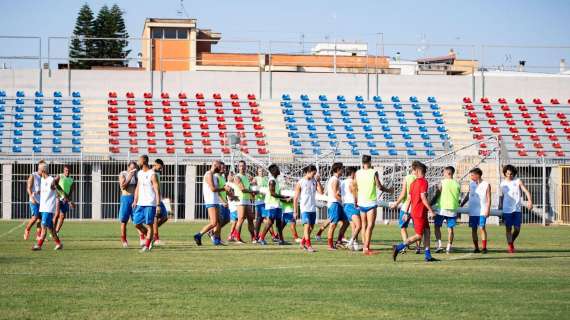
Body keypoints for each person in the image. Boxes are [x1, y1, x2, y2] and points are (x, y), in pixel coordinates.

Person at [392, 162, 438, 262]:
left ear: (416, 171)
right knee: (419, 235)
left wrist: (405, 213)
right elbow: (423, 198)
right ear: (420, 171)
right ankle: (399, 247)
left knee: (427, 232)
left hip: (416, 211)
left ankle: (428, 255)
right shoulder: (424, 182)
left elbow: (409, 199)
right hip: (420, 212)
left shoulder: (413, 183)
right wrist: (431, 211)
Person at [353, 155, 392, 255]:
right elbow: (379, 186)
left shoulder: (358, 172)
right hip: (370, 202)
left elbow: (354, 186)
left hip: (361, 202)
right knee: (370, 225)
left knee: (364, 225)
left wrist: (355, 199)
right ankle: (366, 248)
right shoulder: (373, 172)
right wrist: (389, 190)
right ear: (370, 162)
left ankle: (364, 247)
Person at [499, 165, 533, 253]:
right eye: (508, 174)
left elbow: (526, 191)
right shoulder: (502, 183)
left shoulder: (518, 181)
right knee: (508, 229)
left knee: (517, 229)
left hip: (517, 209)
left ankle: (511, 242)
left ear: (514, 174)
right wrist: (500, 206)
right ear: (505, 174)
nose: (509, 175)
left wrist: (530, 201)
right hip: (507, 209)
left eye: (511, 174)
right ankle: (510, 246)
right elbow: (502, 196)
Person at [390, 161, 421, 254]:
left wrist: (396, 203)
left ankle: (404, 247)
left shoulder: (407, 178)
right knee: (417, 229)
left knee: (403, 227)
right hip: (417, 207)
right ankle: (418, 248)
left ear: (412, 168)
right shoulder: (420, 179)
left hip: (406, 206)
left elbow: (403, 194)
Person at [132, 155, 161, 252]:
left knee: (149, 225)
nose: (138, 162)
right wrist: (135, 200)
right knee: (136, 223)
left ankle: (147, 245)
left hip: (150, 203)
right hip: (140, 203)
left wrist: (158, 205)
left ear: (144, 161)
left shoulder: (152, 174)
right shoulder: (139, 173)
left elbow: (157, 190)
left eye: (139, 160)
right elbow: (137, 187)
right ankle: (151, 237)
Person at [194, 160, 226, 246]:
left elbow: (217, 189)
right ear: (215, 165)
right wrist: (224, 189)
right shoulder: (208, 174)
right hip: (210, 201)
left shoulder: (214, 176)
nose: (221, 169)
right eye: (220, 167)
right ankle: (198, 235)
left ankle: (216, 239)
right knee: (214, 222)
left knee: (219, 221)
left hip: (215, 201)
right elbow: (212, 189)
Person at [32, 164, 63, 251]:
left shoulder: (51, 180)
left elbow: (58, 188)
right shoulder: (42, 179)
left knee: (43, 226)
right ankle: (59, 244)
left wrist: (66, 199)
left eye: (39, 169)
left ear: (43, 171)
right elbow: (44, 190)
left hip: (48, 208)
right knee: (51, 229)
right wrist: (37, 192)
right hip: (43, 208)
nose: (38, 171)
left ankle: (39, 245)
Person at [293, 165, 324, 252]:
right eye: (313, 174)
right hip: (304, 208)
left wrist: (318, 181)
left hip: (312, 208)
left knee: (311, 228)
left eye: (315, 174)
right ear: (308, 172)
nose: (314, 175)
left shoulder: (314, 181)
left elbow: (321, 192)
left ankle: (302, 243)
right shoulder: (300, 182)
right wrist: (295, 211)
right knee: (306, 227)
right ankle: (309, 245)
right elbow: (295, 198)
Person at [258, 164, 290, 245]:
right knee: (270, 222)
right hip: (272, 204)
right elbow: (272, 193)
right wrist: (283, 197)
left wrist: (283, 198)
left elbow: (276, 193)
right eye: (278, 168)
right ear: (274, 171)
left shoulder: (275, 180)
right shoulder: (272, 181)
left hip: (277, 204)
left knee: (279, 223)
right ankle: (261, 238)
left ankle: (281, 240)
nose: (279, 170)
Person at [460, 168, 491, 254]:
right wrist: (462, 204)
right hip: (473, 211)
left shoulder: (486, 184)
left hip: (482, 210)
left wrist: (487, 209)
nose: (471, 177)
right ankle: (476, 248)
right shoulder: (471, 184)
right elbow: (468, 195)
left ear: (478, 175)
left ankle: (484, 248)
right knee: (473, 229)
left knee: (482, 228)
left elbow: (489, 198)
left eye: (472, 175)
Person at [431, 166, 461, 254]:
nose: (443, 174)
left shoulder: (442, 182)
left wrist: (430, 204)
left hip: (442, 208)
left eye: (444, 172)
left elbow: (437, 195)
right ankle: (449, 246)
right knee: (450, 228)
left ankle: (439, 245)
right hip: (453, 209)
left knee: (437, 226)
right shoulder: (457, 184)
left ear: (448, 173)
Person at [118, 161, 144, 248]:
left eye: (135, 168)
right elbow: (123, 186)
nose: (133, 170)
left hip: (134, 199)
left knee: (137, 220)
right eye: (132, 168)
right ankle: (124, 239)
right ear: (128, 167)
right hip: (126, 199)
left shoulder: (137, 176)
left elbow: (139, 187)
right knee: (123, 221)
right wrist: (130, 176)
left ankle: (142, 238)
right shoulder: (123, 174)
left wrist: (136, 177)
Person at [233, 161, 257, 244]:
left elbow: (249, 187)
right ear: (238, 167)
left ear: (246, 167)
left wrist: (253, 193)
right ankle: (237, 238)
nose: (242, 167)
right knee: (241, 219)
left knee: (250, 219)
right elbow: (242, 189)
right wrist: (252, 192)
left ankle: (253, 238)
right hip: (240, 200)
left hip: (247, 200)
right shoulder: (237, 177)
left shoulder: (246, 177)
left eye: (243, 166)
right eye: (240, 166)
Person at [325, 162, 347, 250]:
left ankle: (338, 241)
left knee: (346, 221)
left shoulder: (337, 180)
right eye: (342, 169)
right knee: (333, 224)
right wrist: (343, 201)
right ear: (338, 170)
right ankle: (330, 245)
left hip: (338, 204)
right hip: (334, 203)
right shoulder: (334, 179)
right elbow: (335, 194)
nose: (343, 170)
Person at [24, 160, 46, 241]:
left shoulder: (45, 177)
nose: (45, 170)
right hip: (34, 201)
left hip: (42, 201)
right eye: (44, 168)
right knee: (35, 217)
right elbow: (28, 188)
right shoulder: (33, 175)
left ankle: (38, 235)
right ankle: (27, 229)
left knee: (40, 219)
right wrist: (32, 197)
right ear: (40, 168)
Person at [342, 167, 361, 251]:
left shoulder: (342, 182)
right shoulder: (352, 182)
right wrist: (356, 202)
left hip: (345, 205)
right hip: (352, 205)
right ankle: (350, 242)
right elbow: (353, 192)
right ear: (353, 173)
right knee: (359, 225)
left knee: (354, 226)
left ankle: (355, 245)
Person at [53, 164, 74, 235]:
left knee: (62, 216)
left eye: (68, 170)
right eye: (66, 170)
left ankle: (56, 231)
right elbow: (54, 183)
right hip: (58, 197)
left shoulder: (71, 180)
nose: (67, 172)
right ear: (63, 170)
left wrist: (69, 201)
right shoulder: (60, 176)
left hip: (65, 200)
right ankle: (52, 230)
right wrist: (57, 192)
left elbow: (70, 191)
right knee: (57, 214)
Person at [152, 159, 168, 245]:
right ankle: (156, 238)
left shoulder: (157, 173)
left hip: (159, 199)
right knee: (155, 217)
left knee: (165, 217)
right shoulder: (151, 173)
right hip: (153, 199)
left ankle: (150, 231)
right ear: (156, 164)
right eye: (160, 167)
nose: (161, 169)